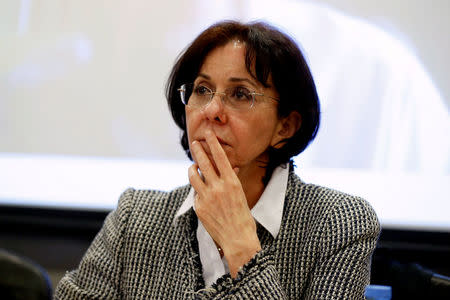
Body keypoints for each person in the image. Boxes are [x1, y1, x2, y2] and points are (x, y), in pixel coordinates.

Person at [55, 20, 380, 299]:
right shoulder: (134, 219)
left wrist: (241, 246)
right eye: (201, 90)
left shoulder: (338, 225)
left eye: (240, 94)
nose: (211, 111)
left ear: (285, 126)